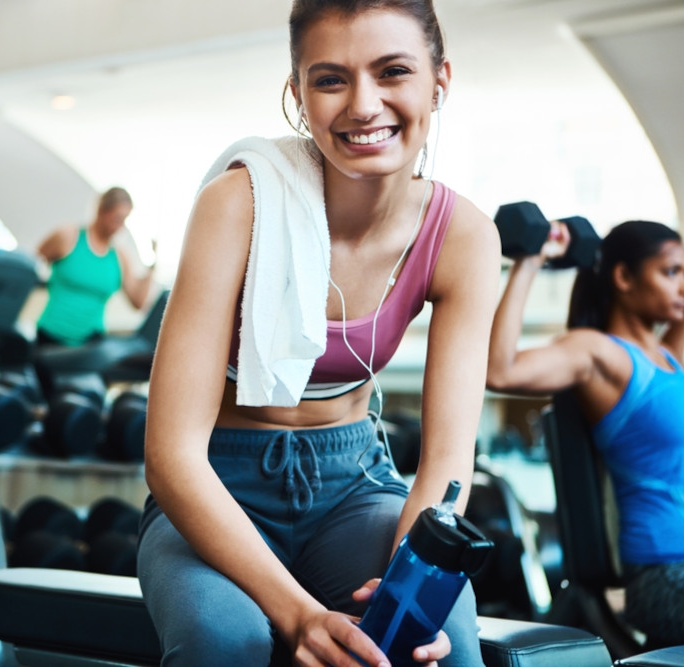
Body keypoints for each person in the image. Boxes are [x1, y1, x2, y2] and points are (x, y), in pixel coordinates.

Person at [138, 1, 500, 665]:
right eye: (331, 79)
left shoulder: (465, 236)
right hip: (218, 484)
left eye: (393, 71)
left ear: (439, 81)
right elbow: (169, 455)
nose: (364, 104)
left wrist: (410, 589)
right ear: (297, 95)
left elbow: (446, 461)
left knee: (442, 642)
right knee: (226, 638)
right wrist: (299, 614)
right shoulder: (237, 203)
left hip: (356, 484)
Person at [486, 219, 684, 653]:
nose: (683, 285)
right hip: (673, 580)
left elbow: (667, 394)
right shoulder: (599, 352)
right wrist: (530, 259)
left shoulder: (664, 361)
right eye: (670, 273)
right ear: (623, 277)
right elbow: (500, 369)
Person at [35, 187, 156, 346]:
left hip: (91, 342)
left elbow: (138, 303)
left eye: (125, 221)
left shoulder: (119, 256)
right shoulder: (68, 237)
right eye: (118, 219)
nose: (121, 227)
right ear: (102, 211)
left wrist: (152, 265)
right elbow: (31, 264)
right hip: (50, 337)